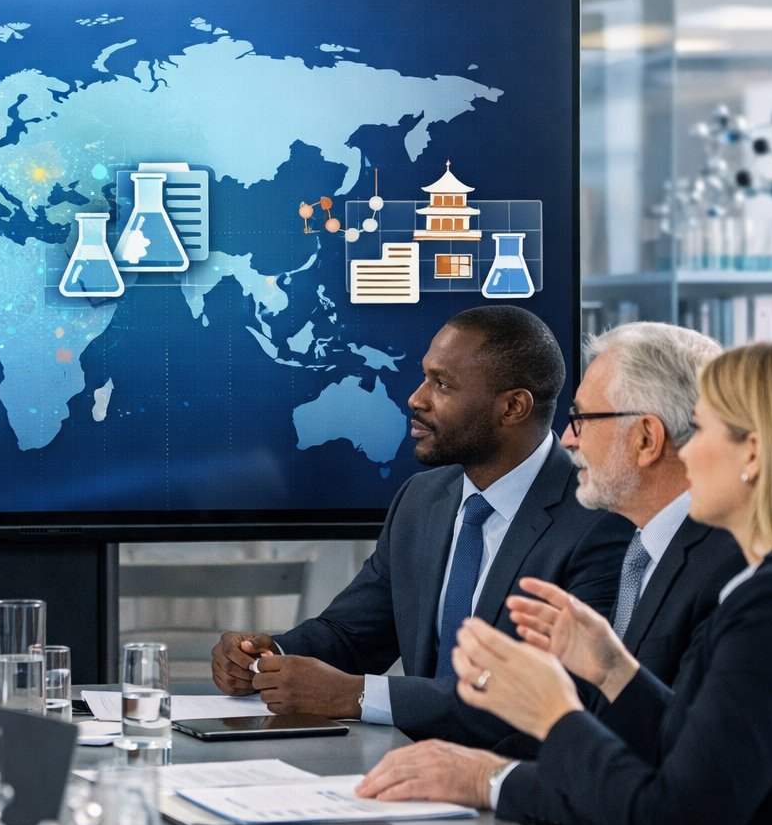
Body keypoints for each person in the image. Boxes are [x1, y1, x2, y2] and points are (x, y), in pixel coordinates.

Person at [399, 337, 772, 825]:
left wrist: (553, 713)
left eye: (700, 429)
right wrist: (614, 670)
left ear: (751, 453)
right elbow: (700, 755)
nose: (686, 449)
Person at [354, 322, 746, 825]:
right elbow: (661, 743)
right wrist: (612, 673)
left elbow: (678, 801)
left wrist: (493, 772)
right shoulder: (650, 549)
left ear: (646, 438)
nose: (565, 439)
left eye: (582, 419)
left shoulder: (739, 575)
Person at [212, 305, 632, 746]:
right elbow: (352, 634)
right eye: (425, 376)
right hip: (415, 772)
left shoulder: (598, 520)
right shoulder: (422, 499)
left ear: (512, 407)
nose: (416, 398)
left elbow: (542, 698)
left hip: (519, 787)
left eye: (443, 384)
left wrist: (355, 695)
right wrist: (265, 657)